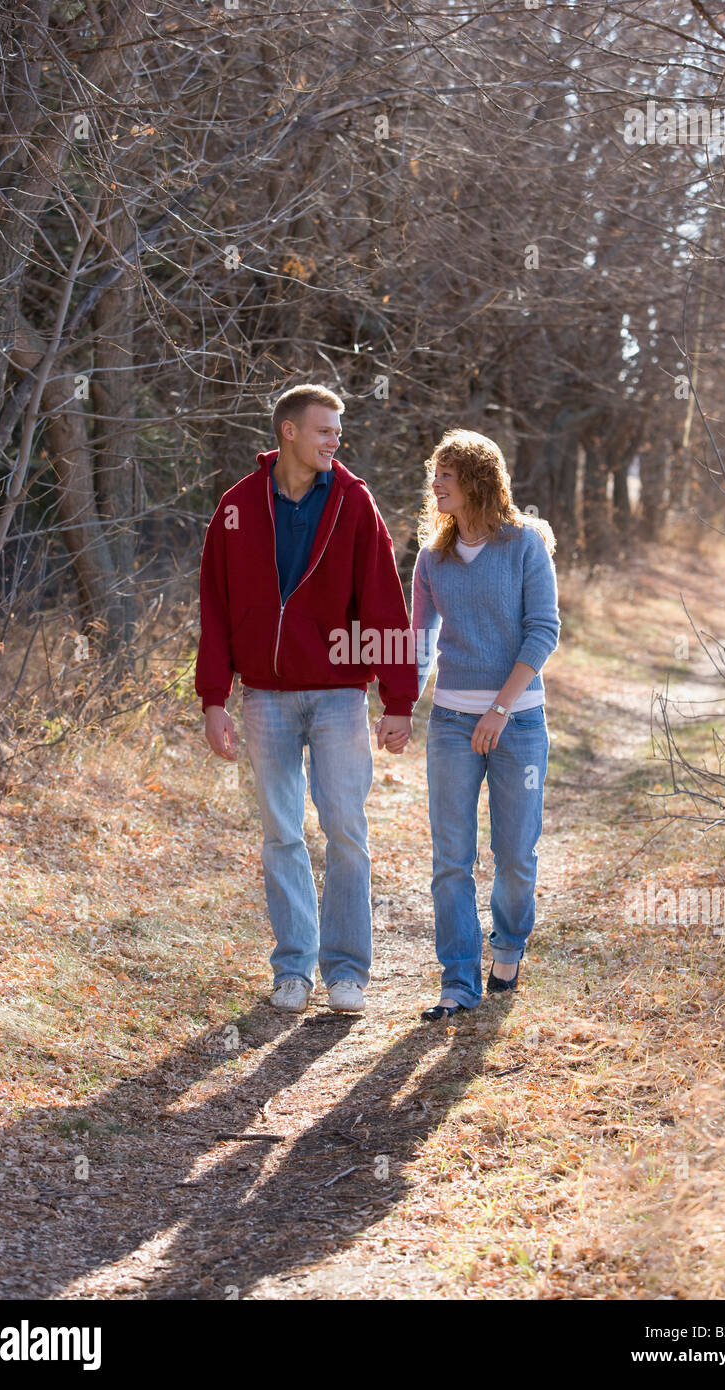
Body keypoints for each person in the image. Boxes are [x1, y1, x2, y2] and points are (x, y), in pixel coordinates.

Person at [195, 384, 416, 1015]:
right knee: (282, 833)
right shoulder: (237, 507)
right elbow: (214, 607)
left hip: (341, 695)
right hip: (264, 697)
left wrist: (398, 698)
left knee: (345, 830)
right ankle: (293, 968)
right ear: (289, 431)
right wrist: (215, 697)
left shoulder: (353, 502)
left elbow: (383, 602)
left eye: (338, 432)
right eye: (324, 430)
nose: (334, 441)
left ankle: (347, 969)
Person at [410, 429, 560, 1020]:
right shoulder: (432, 558)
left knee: (515, 855)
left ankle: (510, 945)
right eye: (435, 474)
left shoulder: (523, 545)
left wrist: (499, 709)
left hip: (517, 725)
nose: (436, 483)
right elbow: (419, 642)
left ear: (477, 480)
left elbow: (542, 630)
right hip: (450, 723)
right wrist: (400, 708)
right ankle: (457, 981)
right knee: (451, 858)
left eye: (447, 474)